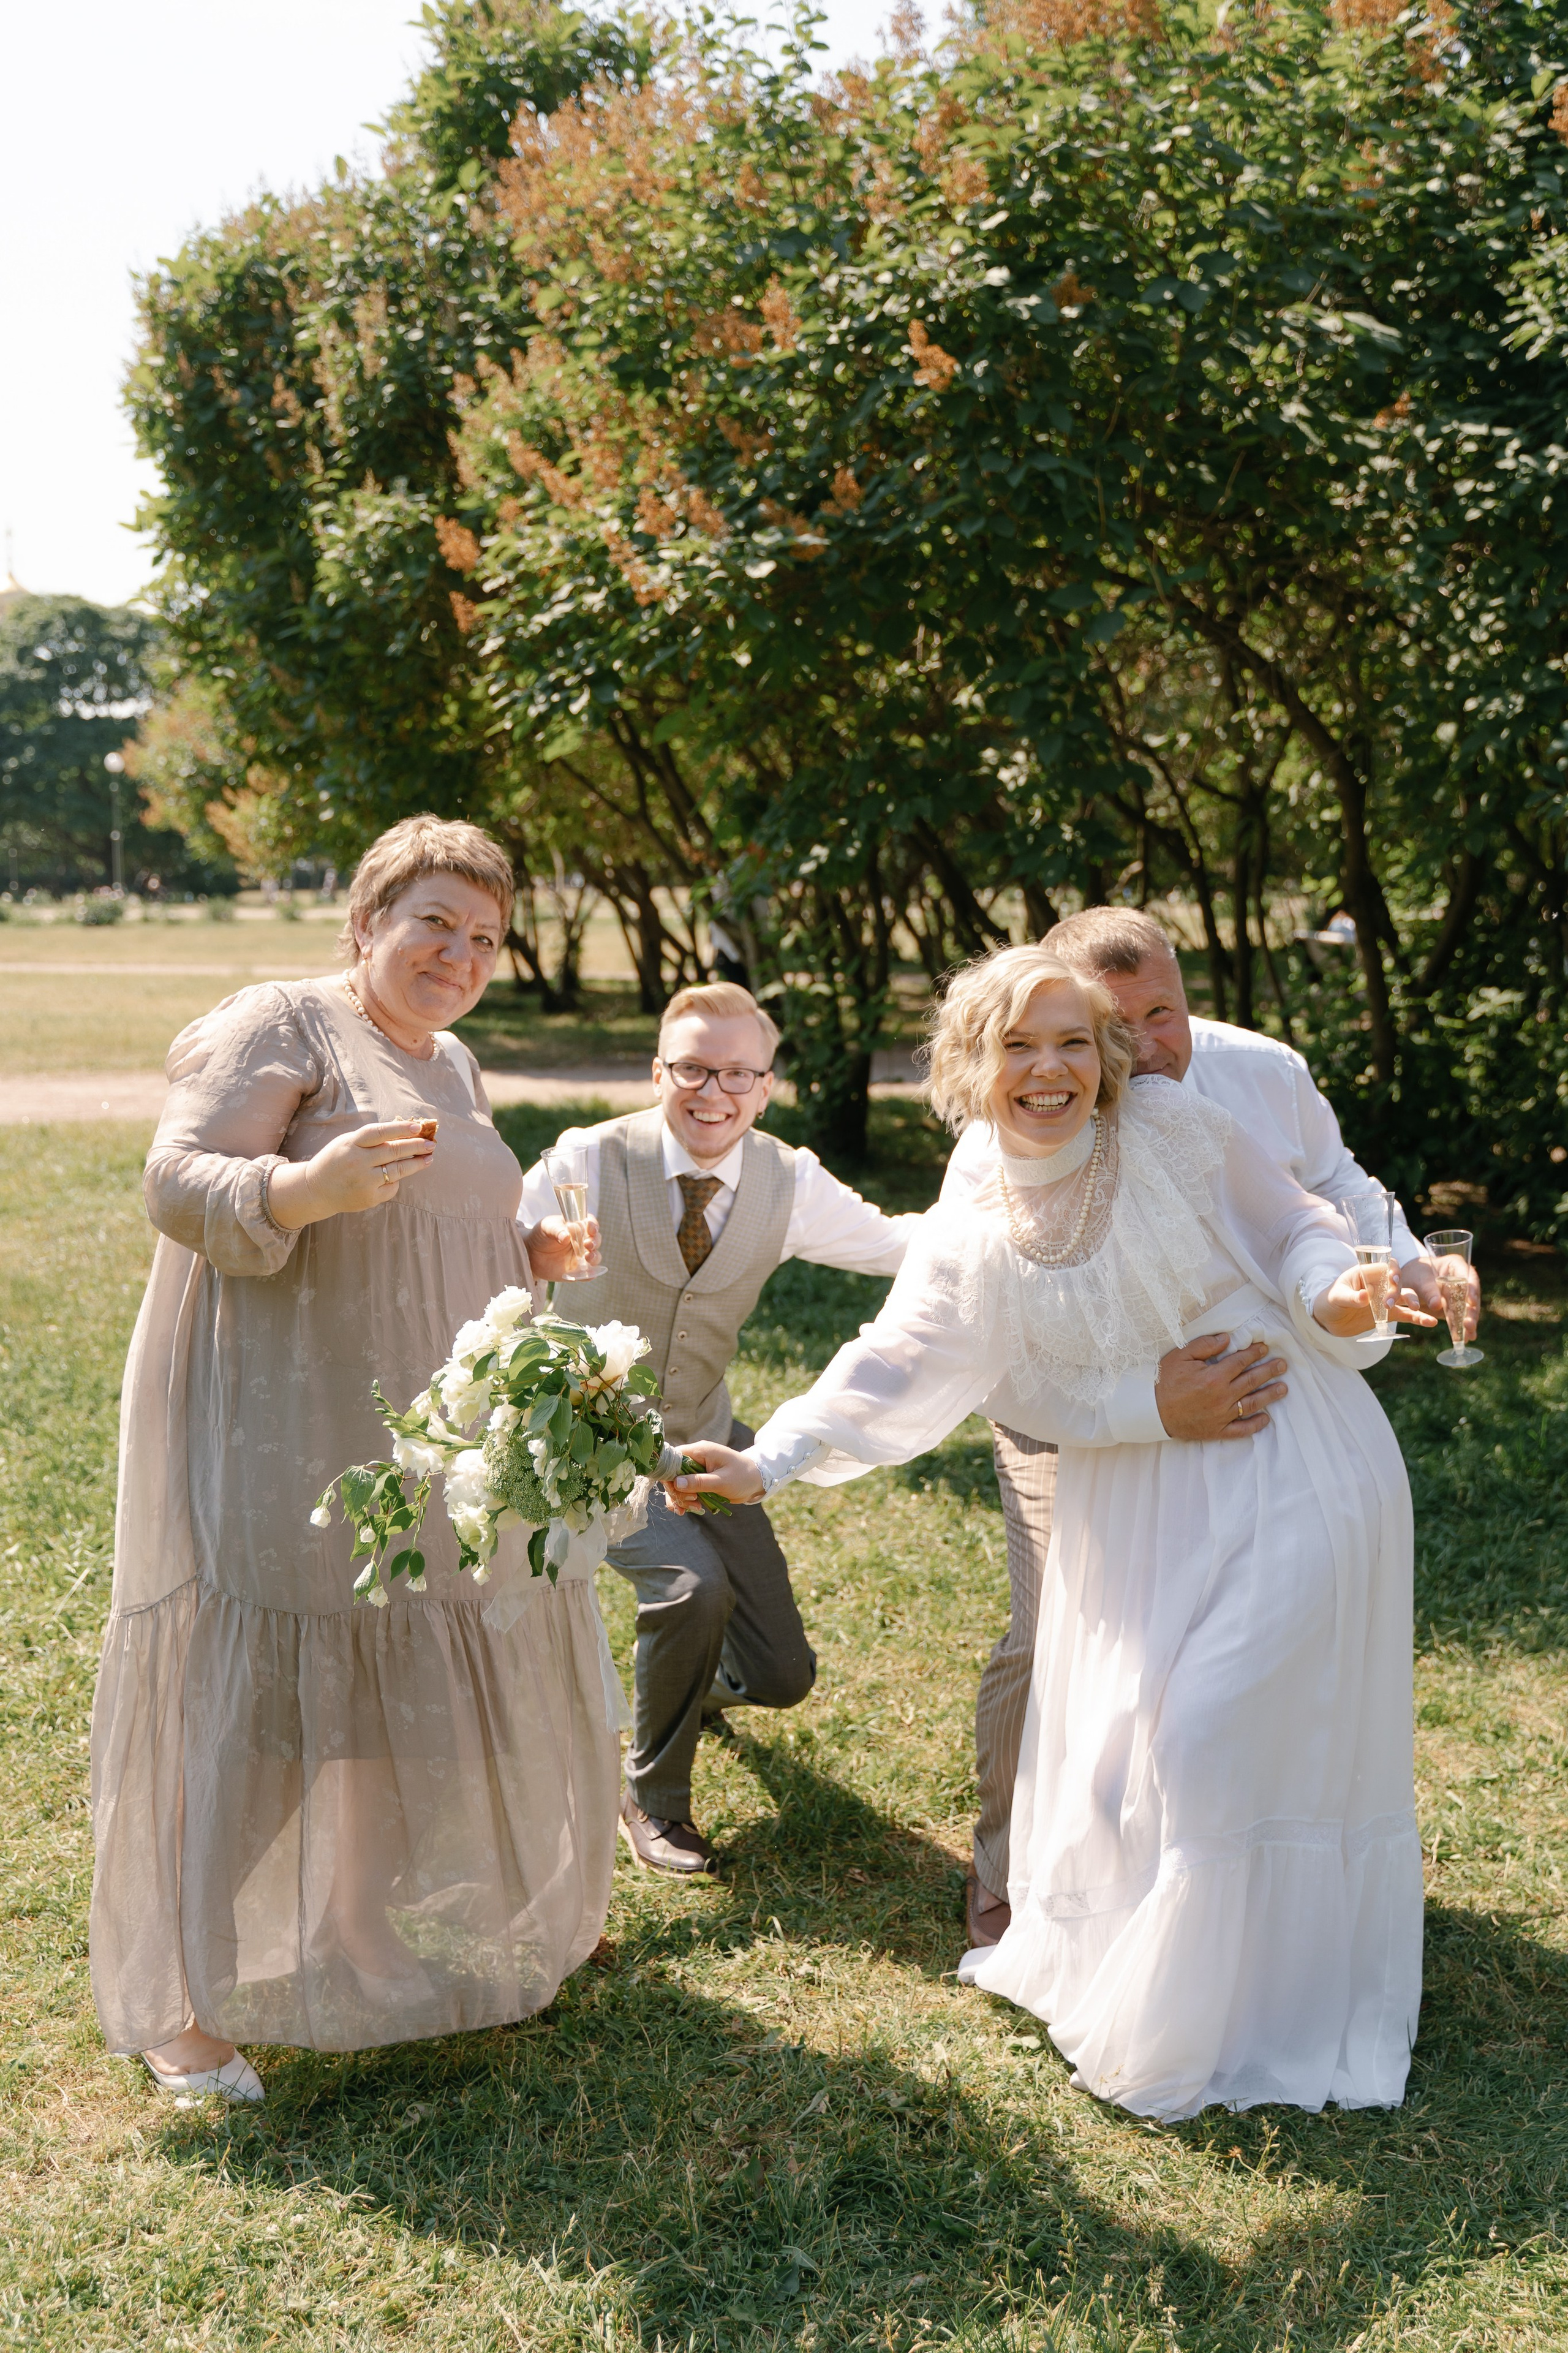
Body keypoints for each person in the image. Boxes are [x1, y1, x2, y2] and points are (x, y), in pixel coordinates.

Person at [666, 943, 1431, 2121]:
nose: (1051, 1067)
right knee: (1140, 1746)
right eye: (1021, 1044)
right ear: (974, 1064)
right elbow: (898, 1360)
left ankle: (1252, 2019)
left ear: (1109, 1055)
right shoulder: (976, 1210)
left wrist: (1341, 1291)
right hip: (1136, 1494)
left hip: (1288, 1454)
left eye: (1076, 1040)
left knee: (1214, 1734)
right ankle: (1200, 1996)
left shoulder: (1173, 1126)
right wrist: (768, 1457)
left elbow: (1300, 1232)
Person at [89, 816, 606, 2102]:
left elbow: (438, 1220)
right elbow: (176, 1177)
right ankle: (179, 2000)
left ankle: (352, 1928)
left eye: (484, 934)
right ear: (366, 919)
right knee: (266, 1693)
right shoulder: (285, 1022)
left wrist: (525, 1262)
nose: (458, 951)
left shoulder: (452, 1058)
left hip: (411, 1427)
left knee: (378, 1670)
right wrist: (300, 1190)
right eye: (433, 919)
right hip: (284, 1409)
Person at [938, 905, 1480, 1952]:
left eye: (1165, 1011)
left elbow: (1330, 1186)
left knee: (1220, 1642)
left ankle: (1240, 1861)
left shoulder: (1260, 1069)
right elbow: (971, 1302)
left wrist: (1403, 1261)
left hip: (1240, 1404)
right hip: (1074, 1396)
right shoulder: (1038, 1099)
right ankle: (1012, 1863)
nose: (1149, 1046)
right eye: (1119, 1022)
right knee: (1064, 1624)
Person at [516, 981, 918, 1876]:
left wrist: (1019, 1214)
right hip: (593, 1448)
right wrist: (533, 1256)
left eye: (740, 1073)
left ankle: (687, 1688)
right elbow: (493, 1261)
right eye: (694, 1067)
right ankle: (651, 1797)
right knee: (689, 1587)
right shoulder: (586, 1157)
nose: (715, 1092)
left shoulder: (788, 1180)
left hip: (706, 1440)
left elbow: (901, 1246)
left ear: (767, 1087)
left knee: (784, 1677)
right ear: (658, 1071)